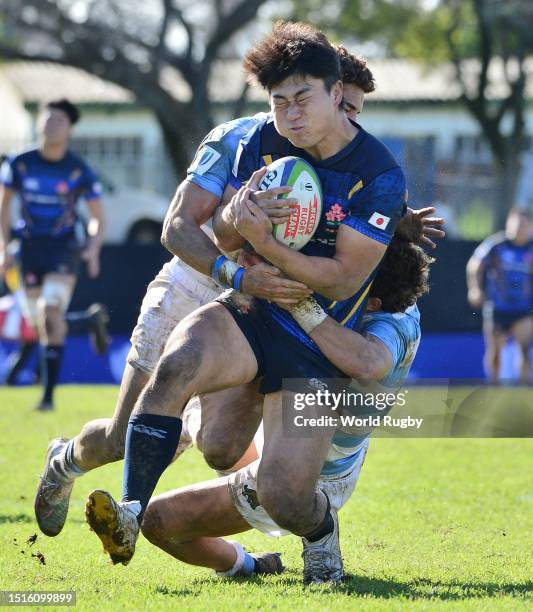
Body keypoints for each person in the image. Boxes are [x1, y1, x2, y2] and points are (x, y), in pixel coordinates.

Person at [35, 43, 442, 538]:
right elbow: (178, 228)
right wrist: (236, 267)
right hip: (200, 277)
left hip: (266, 297)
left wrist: (392, 225)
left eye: (354, 110)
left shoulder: (355, 155)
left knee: (221, 448)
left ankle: (246, 520)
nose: (347, 118)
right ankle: (67, 462)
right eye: (344, 106)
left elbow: (338, 230)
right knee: (125, 435)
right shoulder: (242, 138)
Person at [138, 236, 432, 584]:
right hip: (282, 433)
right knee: (216, 443)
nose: (341, 276)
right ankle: (247, 564)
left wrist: (301, 306)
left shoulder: (391, 323)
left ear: (373, 301)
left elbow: (368, 361)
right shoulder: (383, 293)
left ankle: (320, 530)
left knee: (158, 521)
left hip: (323, 472)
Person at [0, 99, 105, 409]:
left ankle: (47, 399)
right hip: (28, 248)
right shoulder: (19, 162)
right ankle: (87, 321)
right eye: (48, 117)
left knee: (49, 312)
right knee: (41, 323)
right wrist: (3, 248)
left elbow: (99, 216)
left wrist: (94, 248)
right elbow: (3, 207)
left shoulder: (78, 169)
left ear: (69, 129)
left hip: (64, 248)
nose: (51, 123)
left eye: (59, 119)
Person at [467, 208, 532, 383]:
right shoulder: (496, 245)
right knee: (495, 351)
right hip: (497, 307)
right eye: (516, 224)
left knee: (524, 350)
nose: (519, 229)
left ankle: (524, 393)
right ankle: (494, 387)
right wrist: (475, 289)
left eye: (524, 225)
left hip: (524, 309)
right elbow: (475, 265)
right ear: (508, 224)